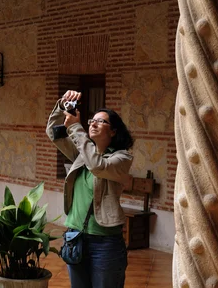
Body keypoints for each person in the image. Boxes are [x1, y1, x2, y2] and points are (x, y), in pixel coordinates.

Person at [46, 90, 134, 288]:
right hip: (75, 237)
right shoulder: (83, 153)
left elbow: (97, 166)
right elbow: (54, 133)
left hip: (105, 244)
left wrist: (76, 128)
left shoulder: (121, 159)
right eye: (91, 120)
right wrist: (62, 105)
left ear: (113, 131)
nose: (93, 123)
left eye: (100, 121)